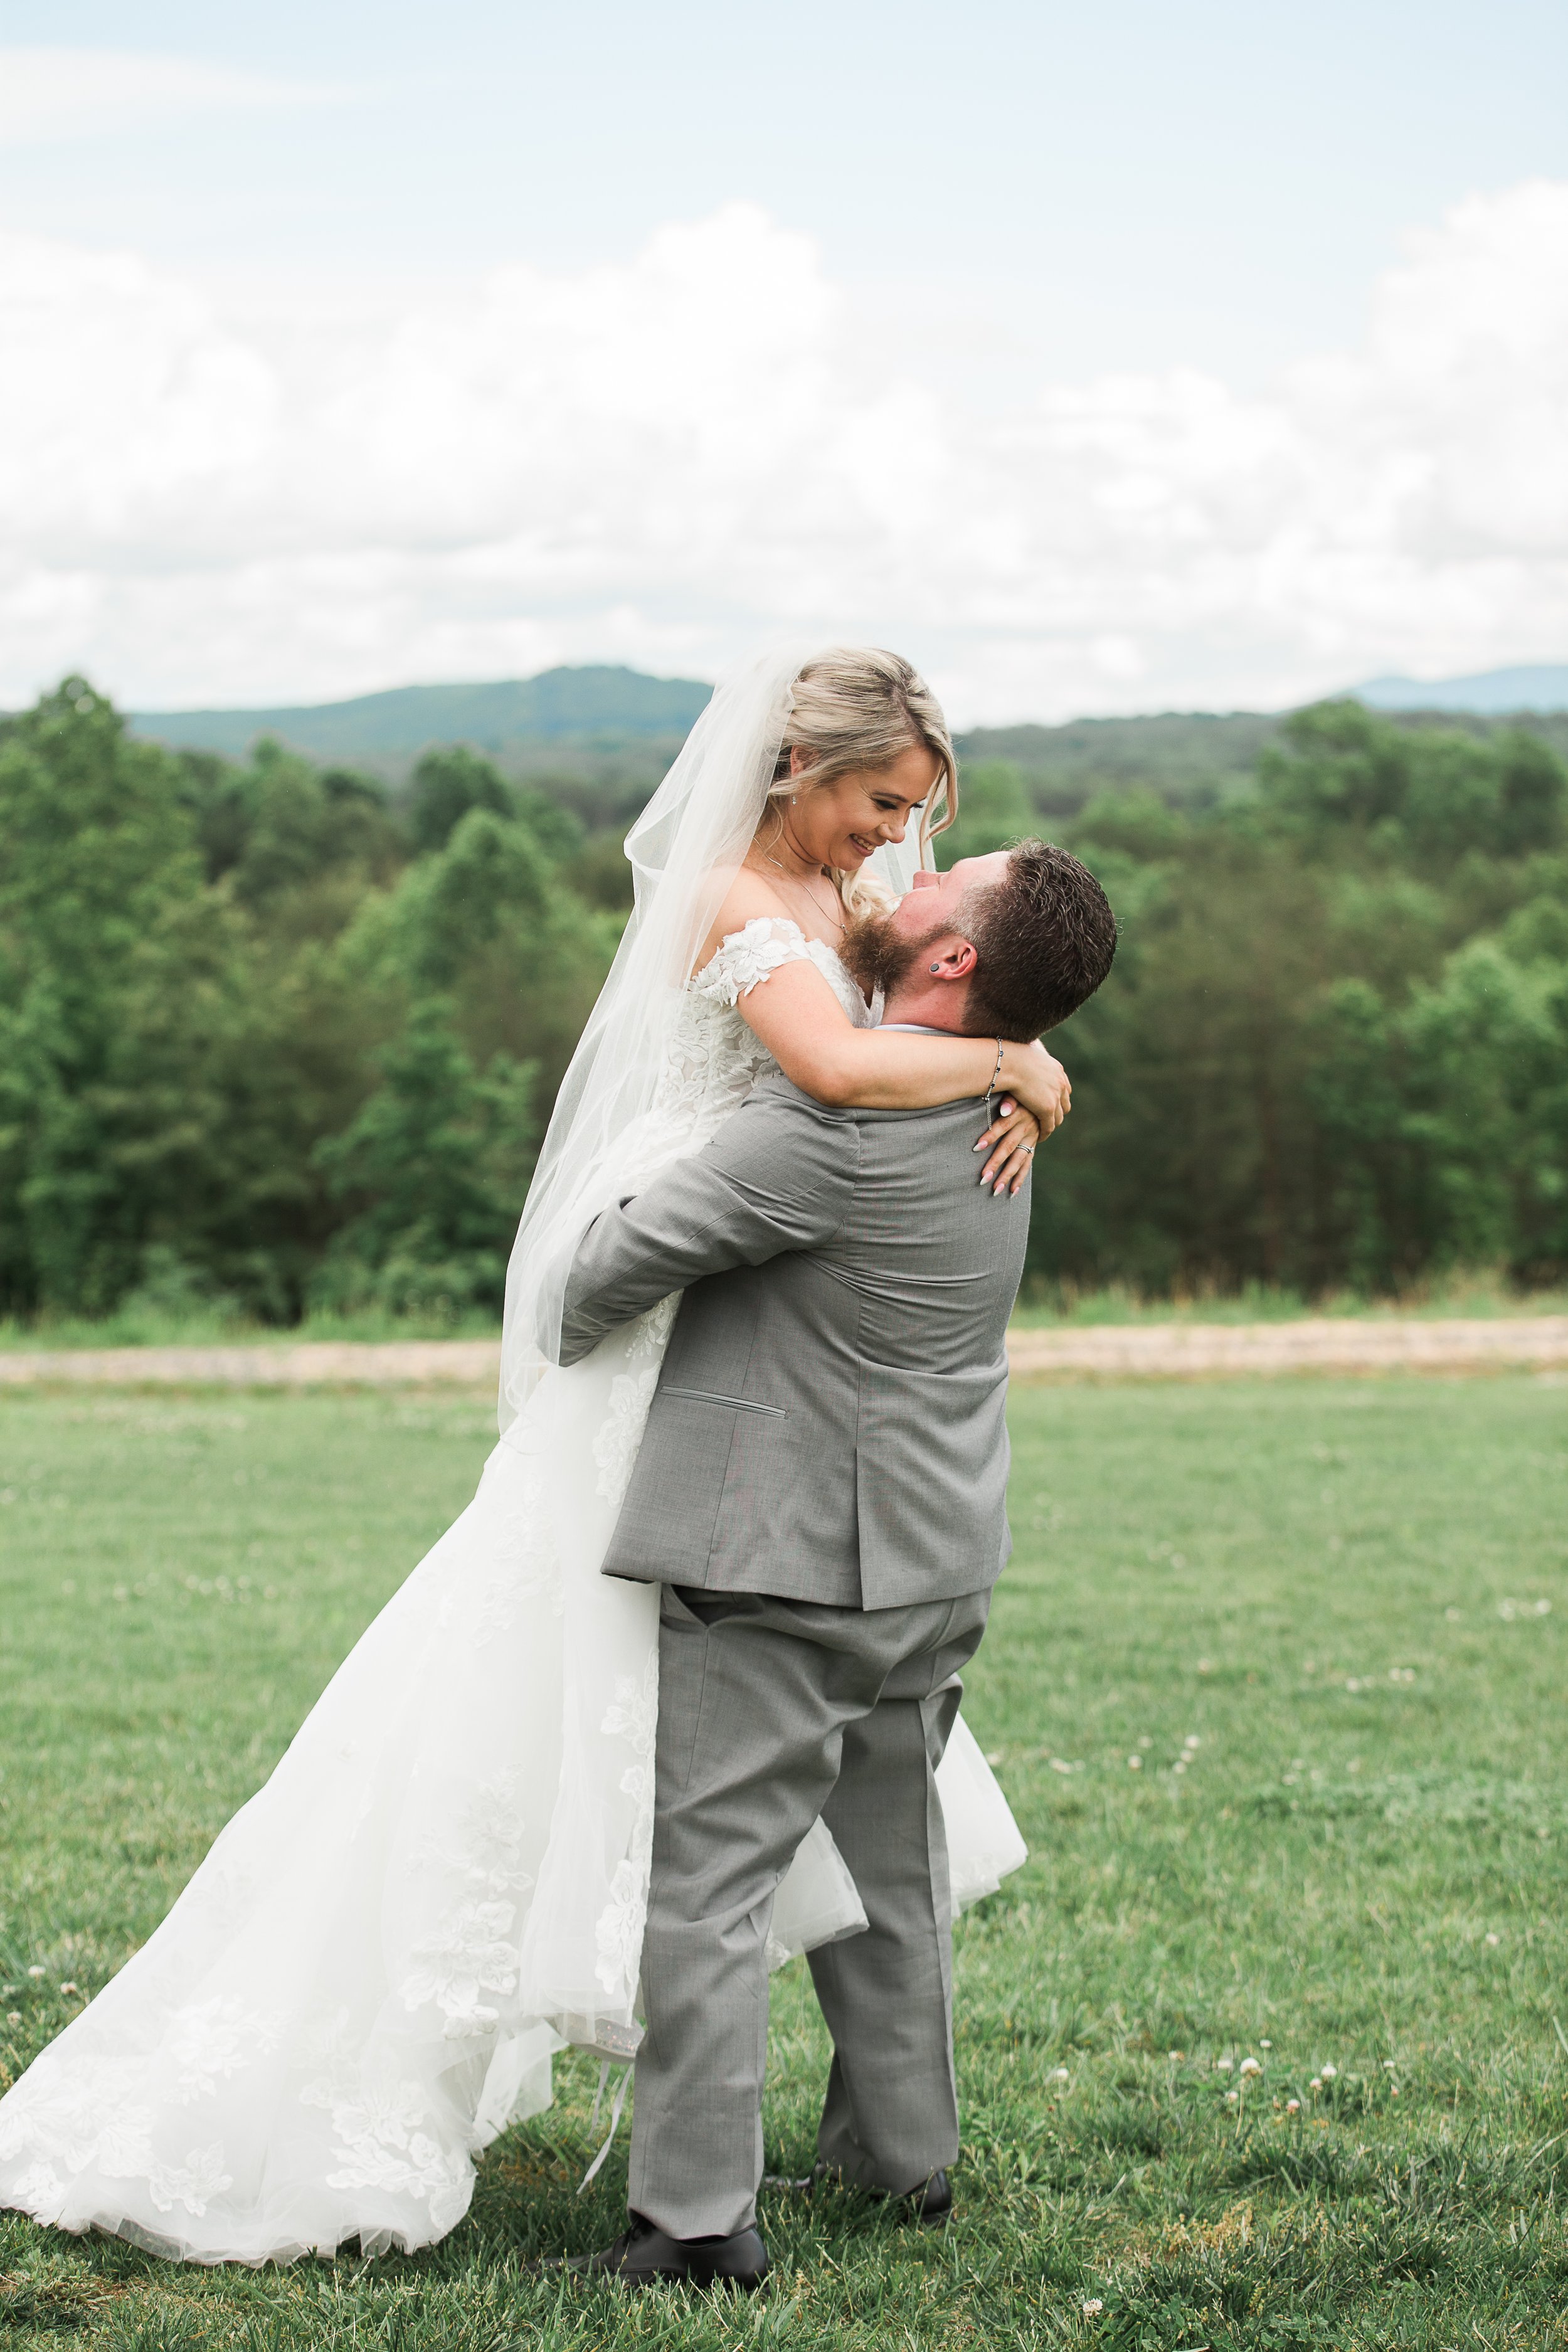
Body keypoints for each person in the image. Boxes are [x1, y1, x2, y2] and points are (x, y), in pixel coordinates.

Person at [0, 646, 1070, 2265]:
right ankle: (898, 2152)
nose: (894, 842)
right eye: (880, 803)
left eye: (921, 821)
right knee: (877, 1835)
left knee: (705, 1857)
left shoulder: (836, 1082)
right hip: (918, 1514)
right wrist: (1020, 1059)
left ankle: (698, 2220)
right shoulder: (777, 935)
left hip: (764, 1485)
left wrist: (1015, 1052)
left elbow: (795, 1118)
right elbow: (884, 1037)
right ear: (795, 761)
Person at [548, 835, 1117, 2288]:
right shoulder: (1004, 1096)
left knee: (714, 1886)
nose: (896, 881)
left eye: (937, 882)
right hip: (937, 1557)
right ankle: (901, 2156)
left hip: (784, 1562)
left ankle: (691, 2221)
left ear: (954, 962)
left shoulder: (826, 1130)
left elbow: (592, 1283)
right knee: (892, 1864)